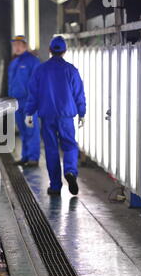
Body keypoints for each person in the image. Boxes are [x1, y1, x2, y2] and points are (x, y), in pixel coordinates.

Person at [24, 36, 86, 195]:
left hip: (47, 116)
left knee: (51, 150)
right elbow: (79, 94)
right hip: (66, 117)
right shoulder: (71, 70)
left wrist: (29, 112)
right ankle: (70, 171)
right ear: (64, 51)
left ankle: (55, 186)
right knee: (70, 145)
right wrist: (82, 113)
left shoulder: (40, 70)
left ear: (50, 50)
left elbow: (33, 94)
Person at [8, 35, 41, 167]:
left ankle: (33, 157)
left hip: (29, 102)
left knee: (31, 130)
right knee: (22, 130)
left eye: (20, 45)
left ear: (25, 46)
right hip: (16, 102)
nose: (17, 47)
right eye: (15, 45)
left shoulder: (33, 62)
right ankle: (25, 156)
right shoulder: (14, 63)